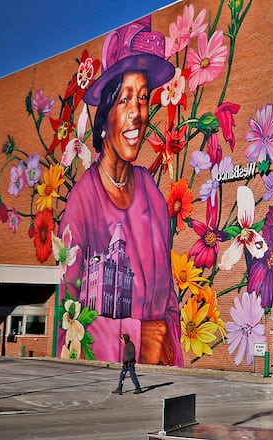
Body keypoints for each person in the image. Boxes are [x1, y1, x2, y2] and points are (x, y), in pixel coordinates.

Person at [58, 17, 183, 367]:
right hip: (107, 381)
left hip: (159, 372)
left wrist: (163, 336)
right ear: (107, 114)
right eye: (125, 99)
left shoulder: (152, 195)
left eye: (143, 99)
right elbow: (70, 312)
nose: (137, 113)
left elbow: (168, 299)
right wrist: (141, 334)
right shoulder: (82, 202)